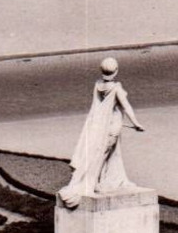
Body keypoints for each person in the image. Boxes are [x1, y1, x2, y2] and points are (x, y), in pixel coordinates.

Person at [58, 57, 146, 209]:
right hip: (112, 128)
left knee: (104, 155)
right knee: (101, 156)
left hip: (100, 126)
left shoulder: (98, 85)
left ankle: (101, 181)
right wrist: (136, 124)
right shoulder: (116, 88)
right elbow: (126, 107)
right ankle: (92, 184)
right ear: (116, 71)